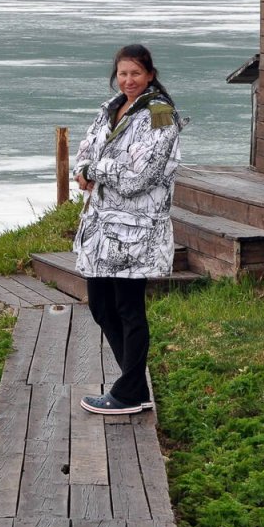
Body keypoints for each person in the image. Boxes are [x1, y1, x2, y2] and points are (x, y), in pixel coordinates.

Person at [72, 43, 182, 415]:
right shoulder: (109, 109)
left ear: (150, 74)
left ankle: (128, 392)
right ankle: (133, 385)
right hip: (102, 225)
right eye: (123, 73)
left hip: (136, 230)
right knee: (102, 307)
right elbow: (85, 151)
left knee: (129, 309)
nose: (129, 80)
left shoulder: (160, 115)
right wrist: (86, 168)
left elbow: (142, 176)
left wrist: (96, 170)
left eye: (136, 73)